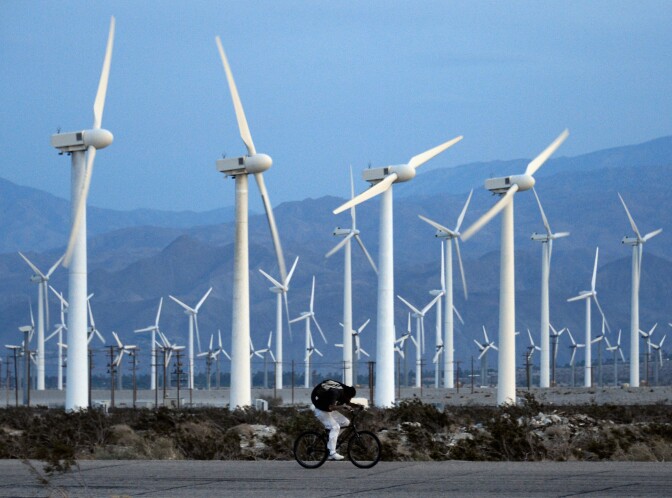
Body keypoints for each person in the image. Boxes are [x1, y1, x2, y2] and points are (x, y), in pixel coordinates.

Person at [311, 379, 360, 460]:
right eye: (349, 397)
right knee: (335, 427)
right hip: (320, 409)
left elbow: (347, 403)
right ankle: (332, 452)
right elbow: (331, 407)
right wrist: (342, 407)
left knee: (345, 422)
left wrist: (358, 406)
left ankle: (332, 440)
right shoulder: (335, 392)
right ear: (347, 394)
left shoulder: (344, 392)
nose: (349, 399)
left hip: (327, 409)